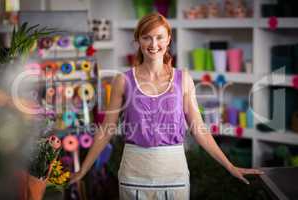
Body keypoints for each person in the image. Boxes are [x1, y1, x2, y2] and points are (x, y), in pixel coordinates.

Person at [70, 13, 264, 199]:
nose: (154, 44)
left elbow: (199, 130)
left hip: (174, 174)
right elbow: (106, 130)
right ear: (138, 39)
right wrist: (83, 170)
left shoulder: (183, 79)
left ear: (169, 39)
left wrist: (230, 167)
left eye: (159, 37)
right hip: (134, 174)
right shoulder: (123, 80)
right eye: (147, 38)